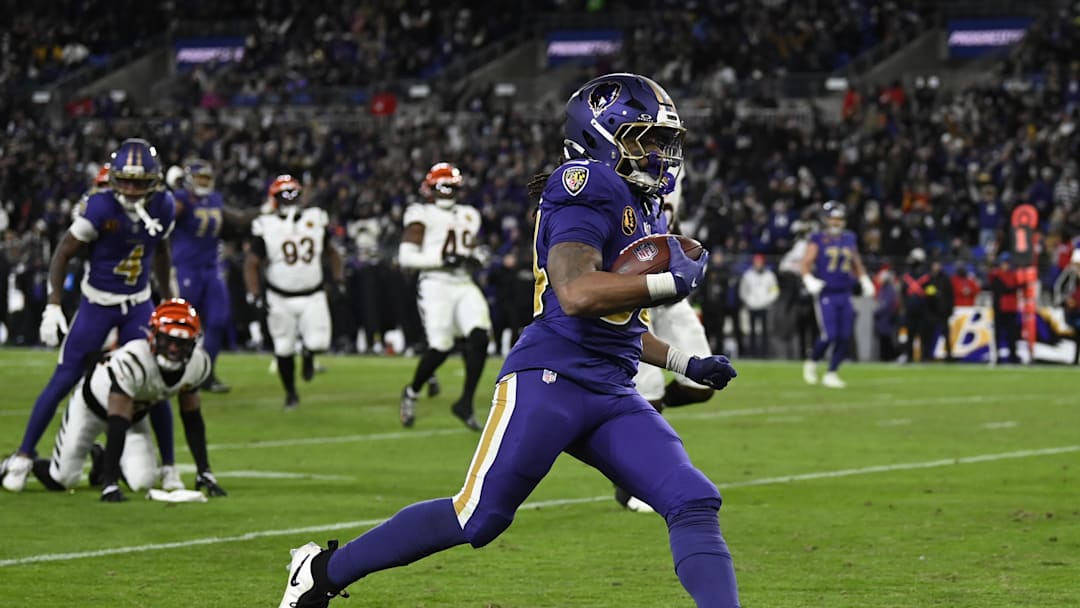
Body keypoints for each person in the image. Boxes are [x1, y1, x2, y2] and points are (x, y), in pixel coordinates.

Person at [277, 73, 740, 608]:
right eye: (647, 138)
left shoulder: (645, 204)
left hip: (611, 389)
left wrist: (686, 361)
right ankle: (320, 572)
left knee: (693, 499)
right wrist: (668, 281)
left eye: (664, 140)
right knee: (478, 516)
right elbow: (576, 294)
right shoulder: (587, 183)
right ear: (602, 135)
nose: (661, 152)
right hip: (550, 382)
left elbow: (622, 321)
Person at [1, 139, 180, 493]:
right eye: (125, 180)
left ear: (154, 181)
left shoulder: (164, 205)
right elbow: (62, 254)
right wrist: (53, 304)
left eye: (139, 181)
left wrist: (169, 301)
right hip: (98, 303)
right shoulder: (100, 207)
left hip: (139, 303)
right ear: (113, 178)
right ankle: (23, 455)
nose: (130, 188)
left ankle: (169, 467)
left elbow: (160, 251)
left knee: (155, 382)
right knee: (65, 375)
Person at [1, 299, 228, 501]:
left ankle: (101, 460)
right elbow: (117, 421)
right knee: (63, 480)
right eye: (168, 340)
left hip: (134, 416)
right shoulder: (134, 360)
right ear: (153, 335)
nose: (173, 349)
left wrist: (204, 471)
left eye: (181, 343)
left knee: (143, 482)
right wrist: (110, 484)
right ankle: (20, 463)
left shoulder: (198, 364)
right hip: (91, 408)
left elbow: (192, 419)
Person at [623, 169, 716, 513]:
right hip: (636, 296)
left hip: (672, 295)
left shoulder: (670, 173)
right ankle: (638, 483)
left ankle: (618, 417)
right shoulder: (614, 178)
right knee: (648, 394)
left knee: (702, 384)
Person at [397, 162, 492, 431]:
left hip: (463, 282)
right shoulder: (420, 213)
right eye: (441, 186)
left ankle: (465, 402)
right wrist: (441, 259)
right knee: (440, 347)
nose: (446, 191)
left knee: (480, 336)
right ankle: (412, 391)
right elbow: (405, 256)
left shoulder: (469, 214)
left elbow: (472, 248)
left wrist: (478, 256)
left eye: (450, 186)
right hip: (435, 283)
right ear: (429, 189)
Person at [244, 175, 344, 409]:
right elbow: (252, 262)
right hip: (279, 296)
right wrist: (255, 293)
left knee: (319, 342)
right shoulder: (265, 224)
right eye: (284, 195)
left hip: (313, 293)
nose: (289, 200)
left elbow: (332, 252)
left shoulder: (315, 218)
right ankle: (291, 393)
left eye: (293, 194)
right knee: (283, 348)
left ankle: (309, 355)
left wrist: (338, 279)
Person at [171, 158, 255, 393]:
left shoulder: (215, 200)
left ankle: (206, 374)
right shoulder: (181, 200)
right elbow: (163, 222)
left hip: (211, 268)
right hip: (186, 268)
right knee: (183, 323)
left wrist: (264, 210)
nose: (204, 183)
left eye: (207, 179)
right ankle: (175, 371)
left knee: (218, 319)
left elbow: (237, 219)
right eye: (200, 178)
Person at [800, 200, 875, 388]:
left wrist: (864, 279)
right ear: (826, 220)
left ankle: (832, 372)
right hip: (827, 293)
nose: (836, 222)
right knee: (829, 335)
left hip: (845, 292)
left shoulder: (849, 238)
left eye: (839, 219)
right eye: (833, 218)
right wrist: (808, 279)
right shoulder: (818, 238)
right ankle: (812, 362)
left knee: (845, 336)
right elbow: (805, 263)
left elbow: (856, 262)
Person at [738, 253, 779, 357]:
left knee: (765, 331)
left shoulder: (770, 275)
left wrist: (767, 301)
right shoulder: (748, 275)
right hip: (752, 306)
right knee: (751, 331)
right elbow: (743, 291)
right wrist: (749, 301)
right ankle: (753, 353)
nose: (758, 264)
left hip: (765, 306)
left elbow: (774, 290)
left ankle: (764, 353)